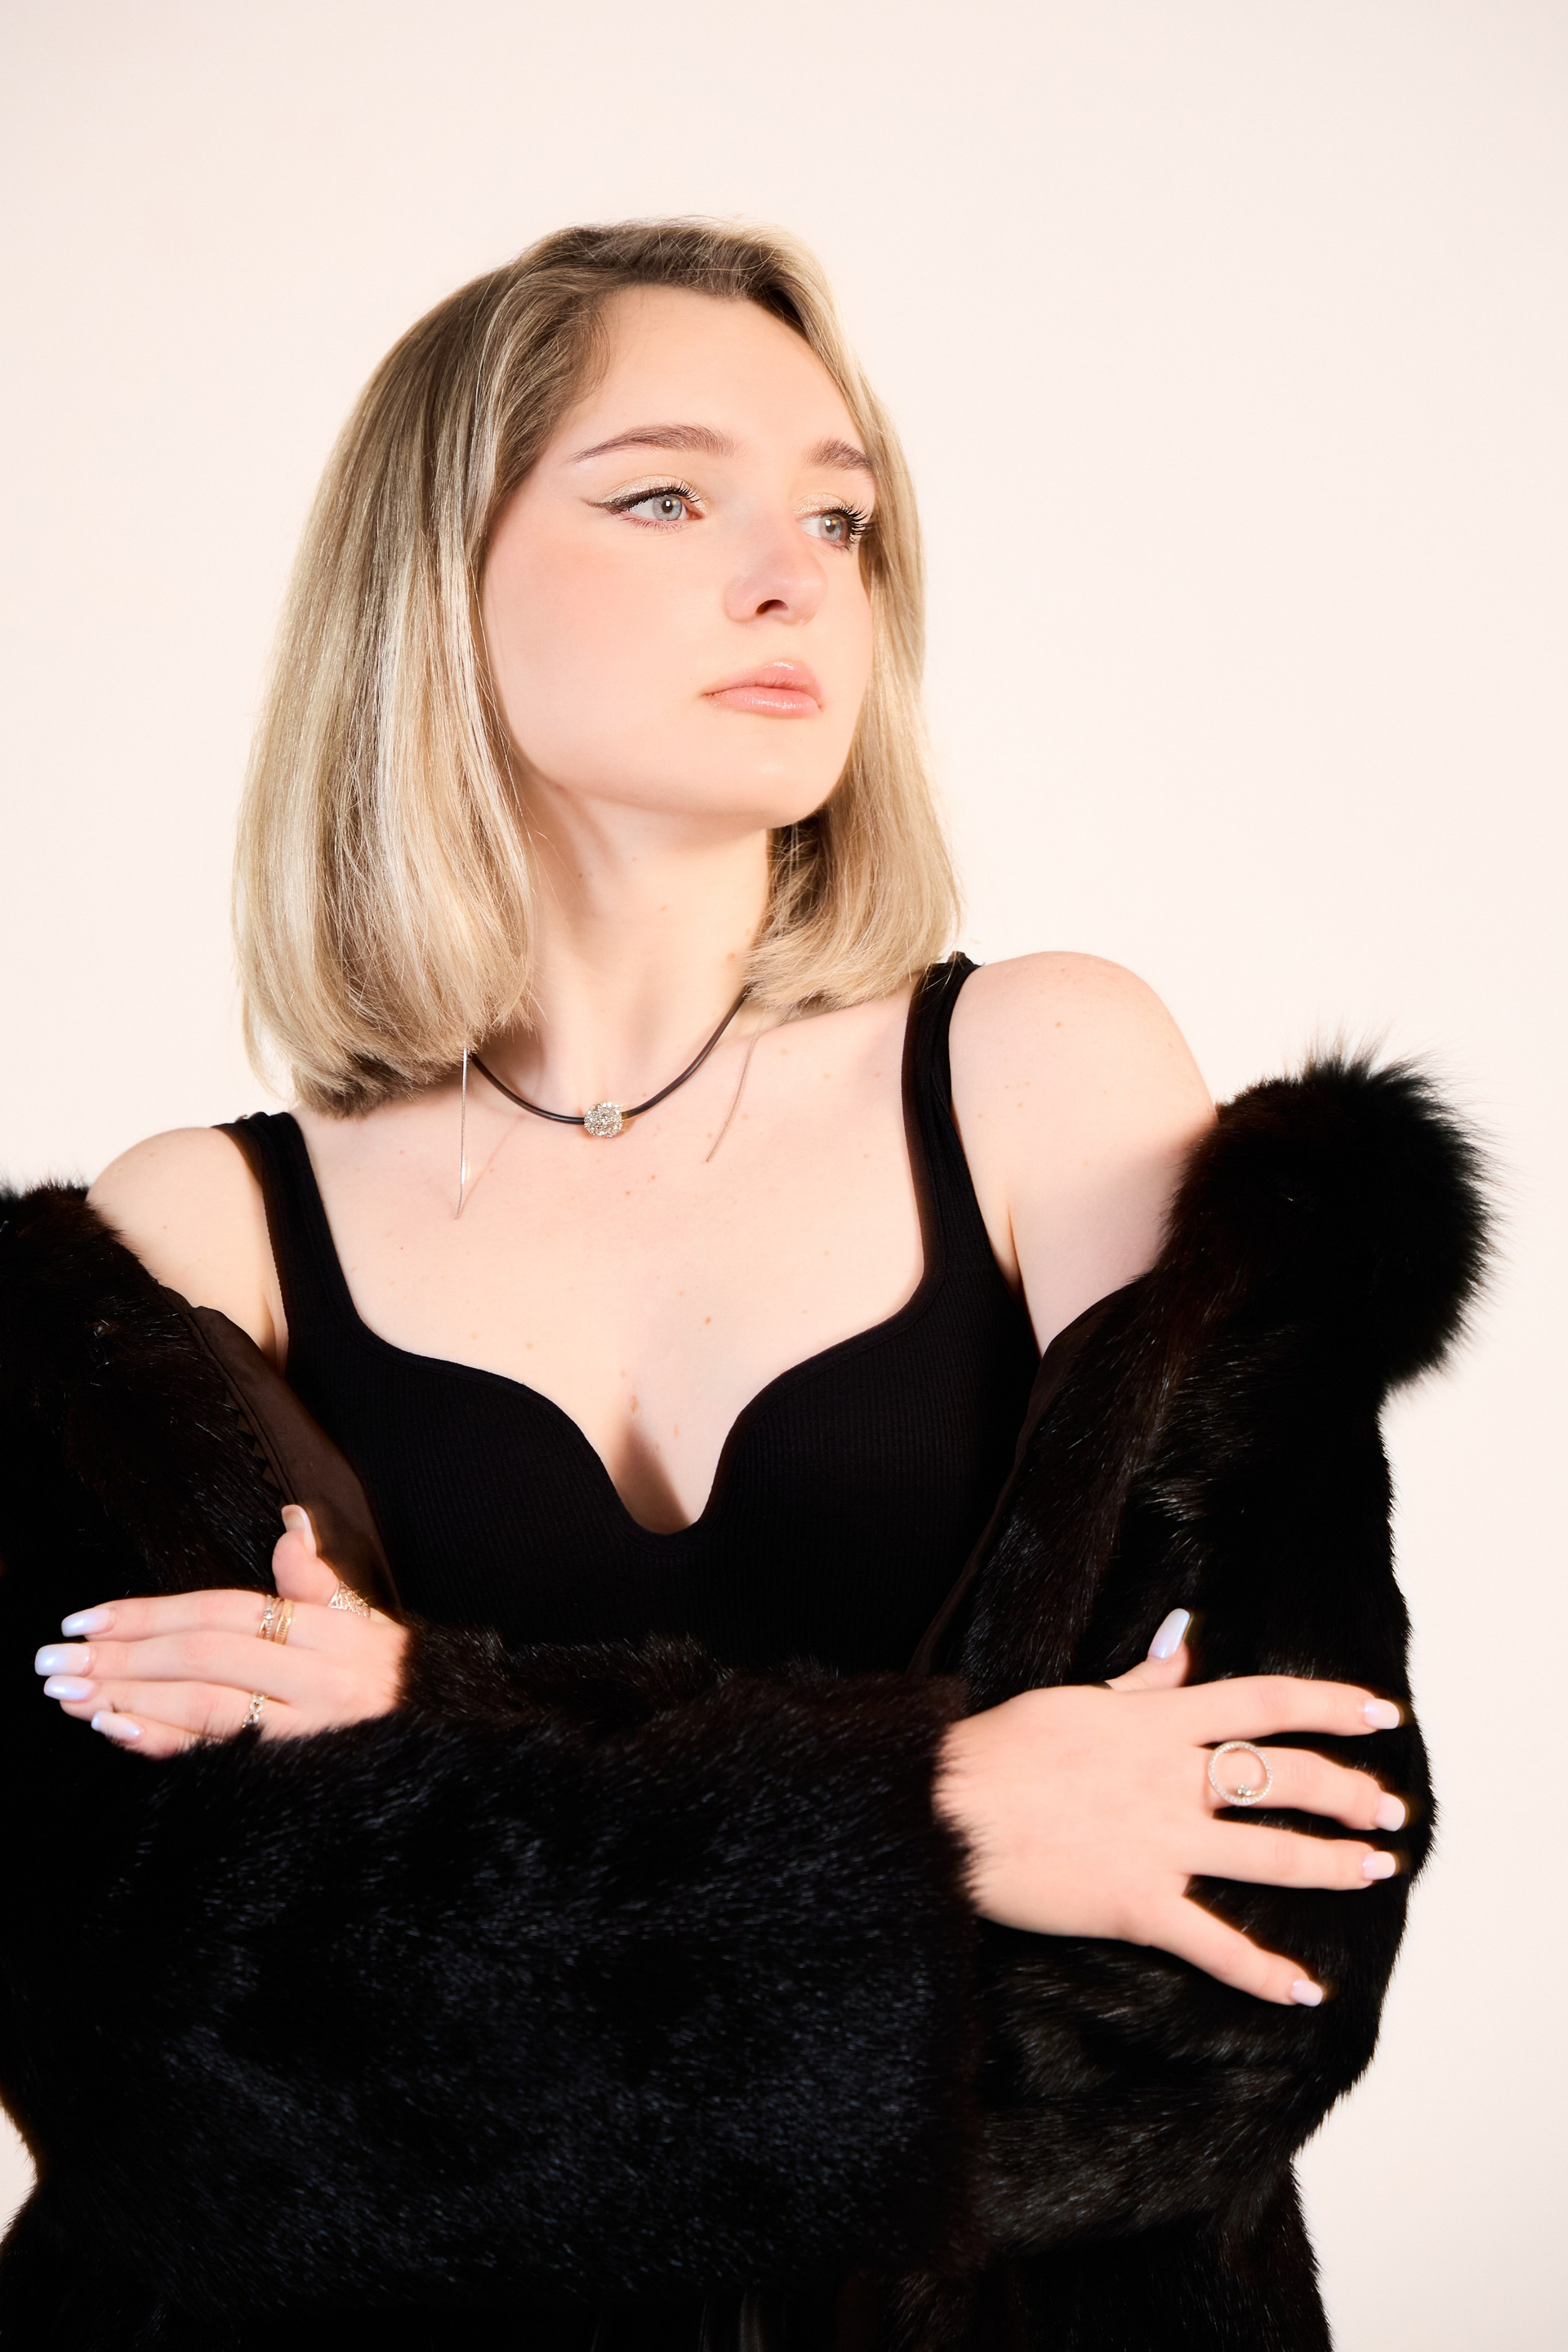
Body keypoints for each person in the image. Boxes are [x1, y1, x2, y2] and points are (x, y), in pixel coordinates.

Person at [0, 221, 1484, 2350]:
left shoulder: (1045, 1078)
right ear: (436, 575)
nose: (794, 575)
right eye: (667, 498)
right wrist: (940, 1814)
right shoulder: (188, 1239)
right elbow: (171, 2073)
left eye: (841, 516)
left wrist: (425, 1736)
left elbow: (1247, 1954)